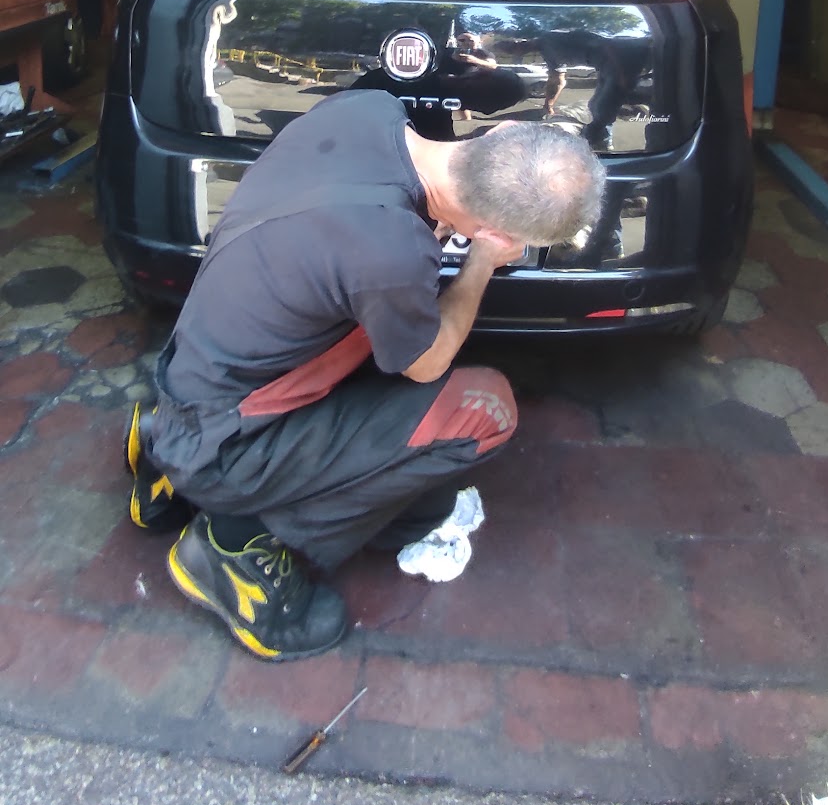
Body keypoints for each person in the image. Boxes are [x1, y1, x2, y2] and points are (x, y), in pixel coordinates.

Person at [126, 91, 604, 663]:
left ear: (496, 134)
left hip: (195, 380)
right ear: (496, 231)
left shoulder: (367, 110)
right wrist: (481, 263)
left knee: (426, 501)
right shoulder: (391, 254)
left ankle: (162, 448)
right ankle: (233, 544)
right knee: (483, 409)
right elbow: (428, 362)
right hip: (229, 440)